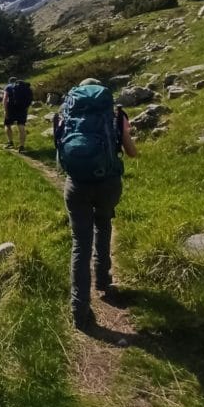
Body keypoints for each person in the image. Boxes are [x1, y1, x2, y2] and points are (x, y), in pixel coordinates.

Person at [54, 78, 137, 331]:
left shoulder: (64, 115)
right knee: (104, 224)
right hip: (108, 182)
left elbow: (59, 154)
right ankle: (103, 281)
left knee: (80, 243)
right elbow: (130, 150)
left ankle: (79, 311)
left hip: (76, 184)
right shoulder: (116, 115)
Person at [3, 77, 33, 151]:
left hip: (11, 108)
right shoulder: (24, 87)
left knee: (7, 125)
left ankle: (10, 142)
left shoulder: (8, 87)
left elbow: (4, 99)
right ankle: (21, 147)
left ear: (9, 82)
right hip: (22, 108)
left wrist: (5, 111)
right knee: (21, 126)